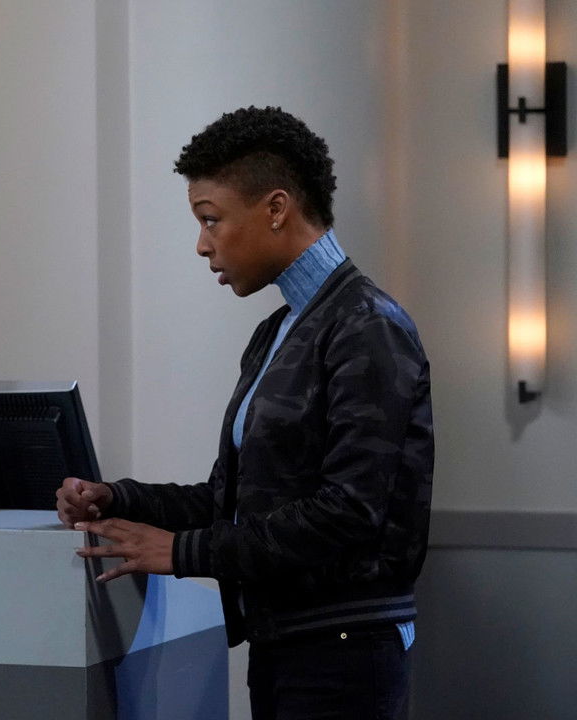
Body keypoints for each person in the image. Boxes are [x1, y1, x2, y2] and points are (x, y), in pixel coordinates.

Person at [58, 107, 433, 720]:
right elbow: (233, 500)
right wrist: (119, 498)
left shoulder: (367, 326)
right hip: (285, 640)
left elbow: (350, 512)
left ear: (276, 208)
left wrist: (184, 552)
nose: (202, 244)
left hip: (345, 648)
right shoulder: (278, 331)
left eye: (211, 219)